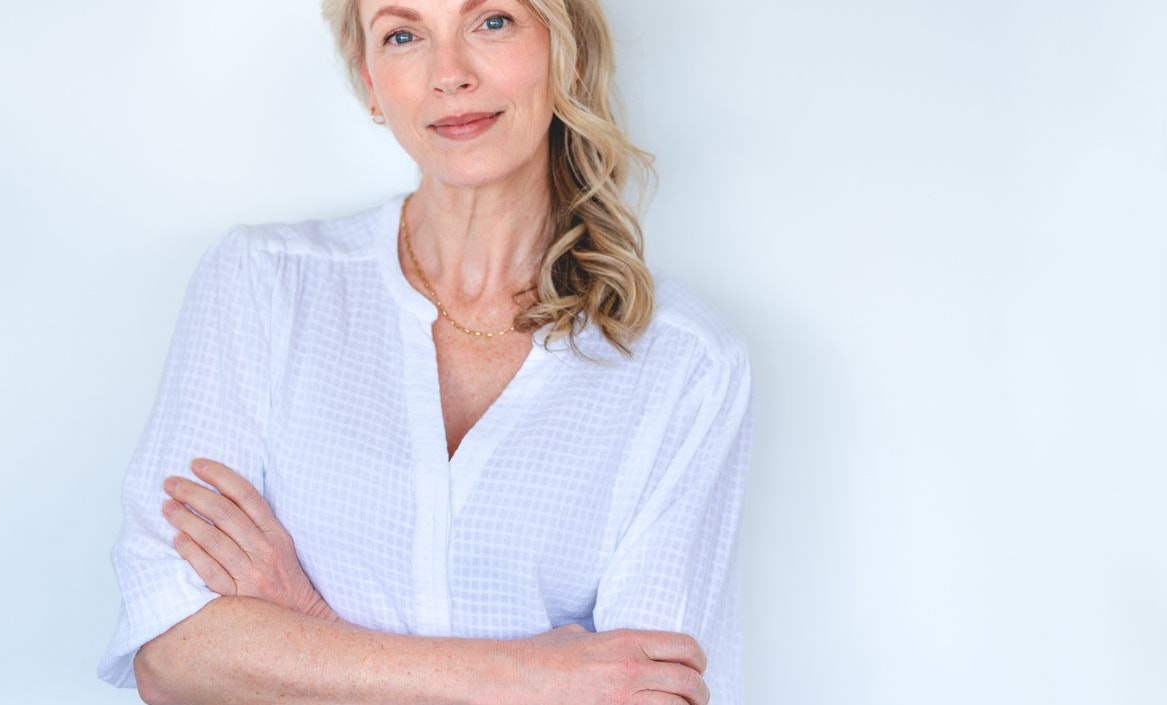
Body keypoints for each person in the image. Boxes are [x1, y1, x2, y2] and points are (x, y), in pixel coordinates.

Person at [98, 0, 752, 703]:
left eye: (492, 20)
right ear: (372, 82)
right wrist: (532, 676)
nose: (449, 74)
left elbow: (647, 693)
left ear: (571, 52)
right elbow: (172, 656)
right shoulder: (263, 284)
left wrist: (305, 627)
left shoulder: (686, 364)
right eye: (404, 34)